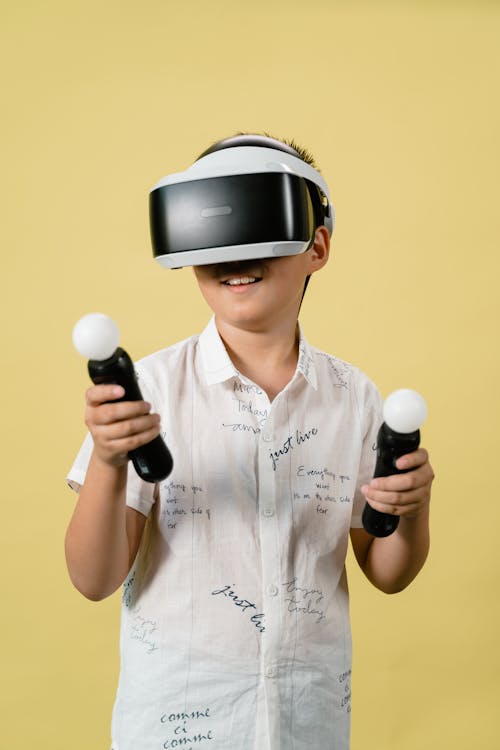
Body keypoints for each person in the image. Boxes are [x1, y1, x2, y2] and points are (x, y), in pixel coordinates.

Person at [65, 134, 434, 750]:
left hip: (307, 725)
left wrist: (411, 508)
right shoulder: (149, 388)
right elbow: (93, 578)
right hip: (175, 726)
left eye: (254, 227)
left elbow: (387, 572)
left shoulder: (355, 399)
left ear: (315, 246)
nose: (233, 255)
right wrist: (108, 459)